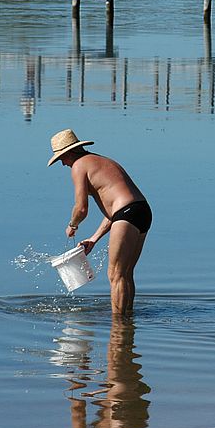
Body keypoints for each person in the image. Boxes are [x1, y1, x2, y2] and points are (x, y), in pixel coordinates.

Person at [48, 129, 152, 315]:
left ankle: (118, 326)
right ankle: (127, 321)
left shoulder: (79, 166)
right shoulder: (102, 161)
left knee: (115, 274)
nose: (63, 164)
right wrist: (94, 238)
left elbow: (81, 208)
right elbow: (116, 210)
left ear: (70, 153)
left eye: (62, 158)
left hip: (126, 214)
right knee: (125, 273)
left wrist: (73, 225)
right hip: (141, 211)